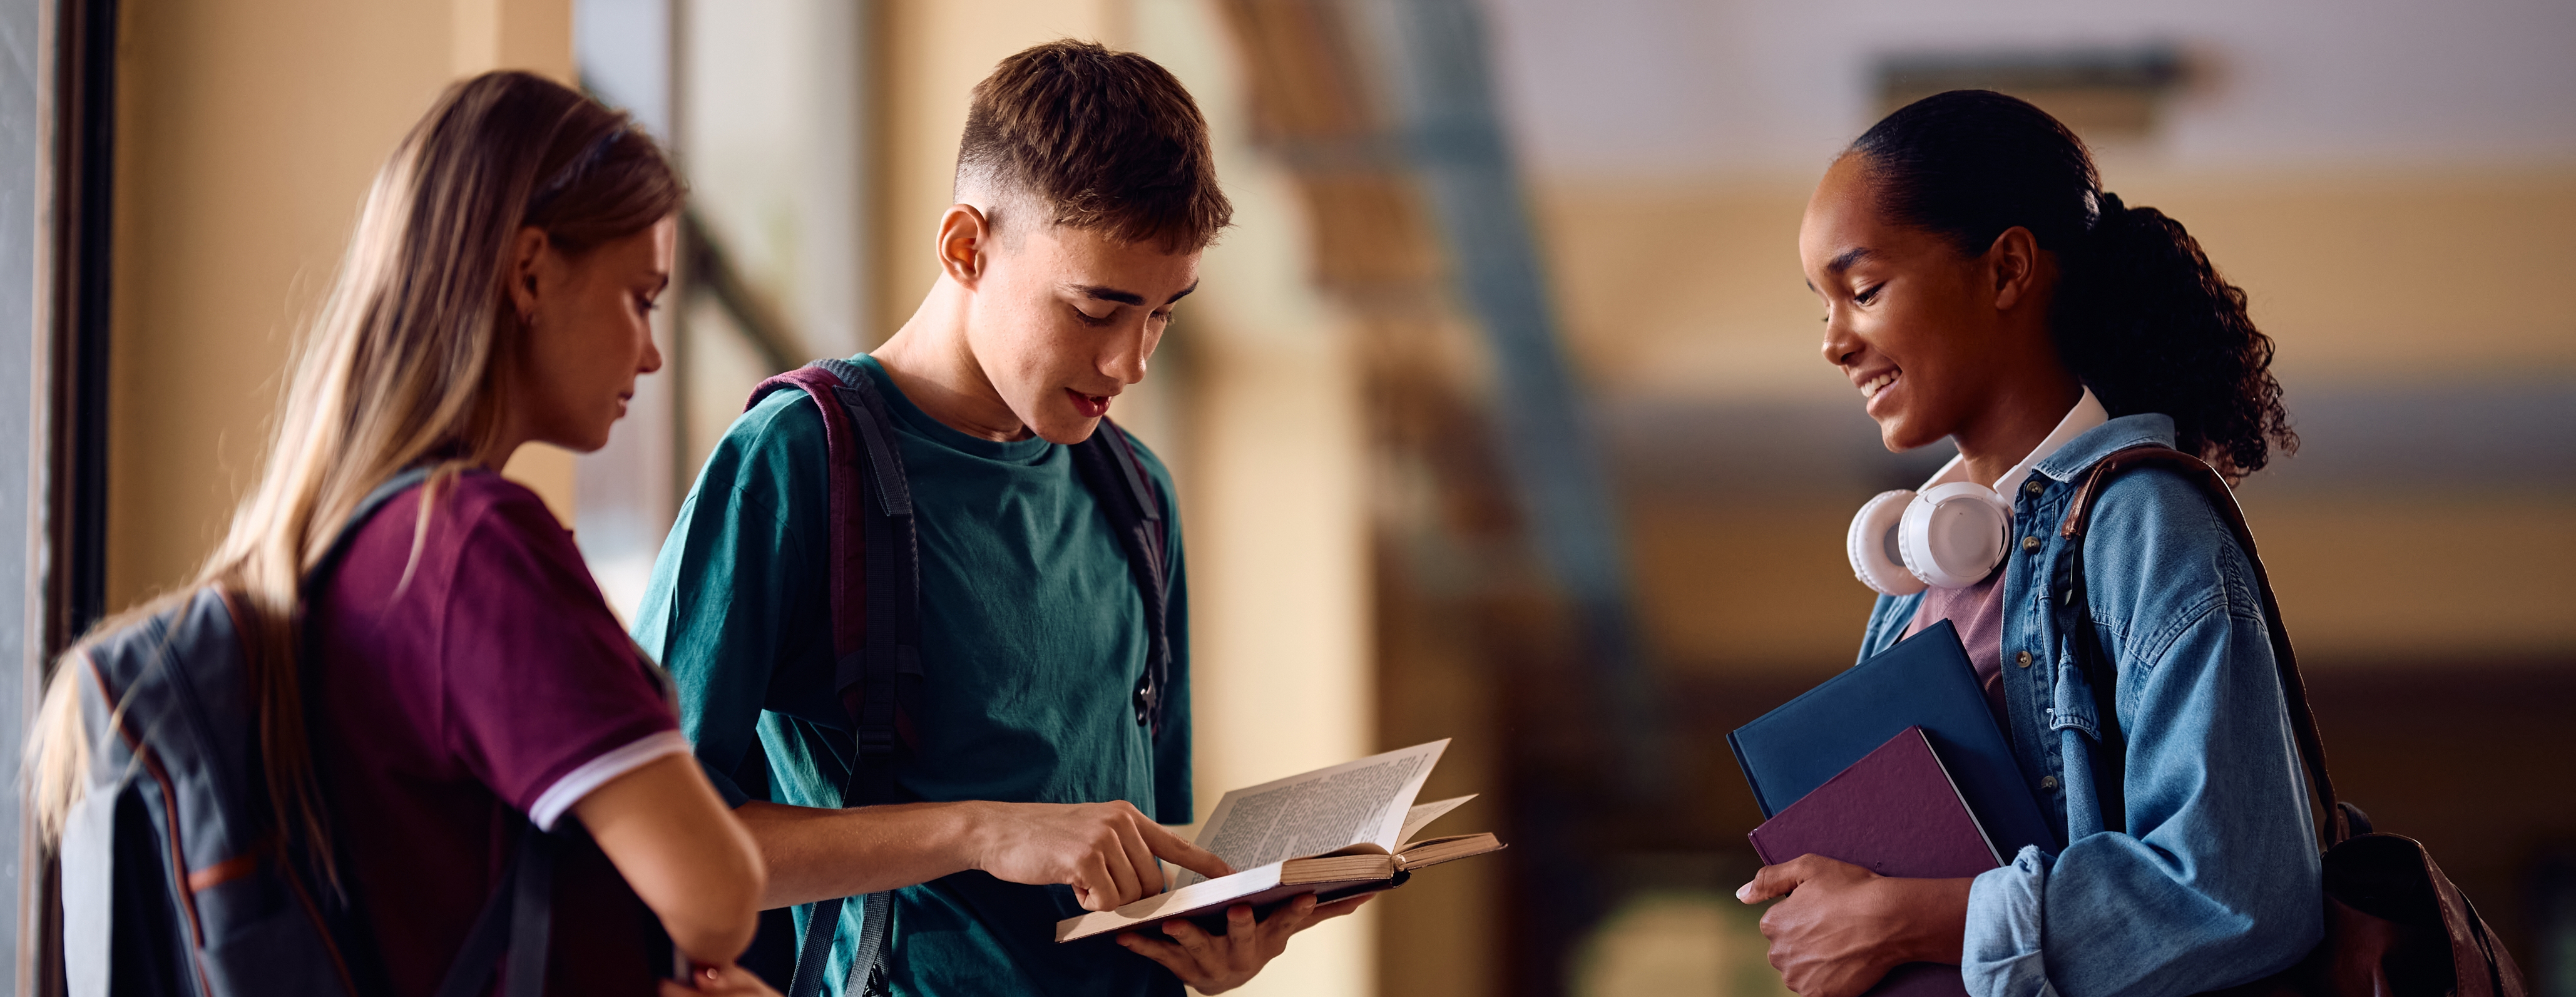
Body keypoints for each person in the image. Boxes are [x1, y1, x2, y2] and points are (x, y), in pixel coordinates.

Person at [635, 41, 1361, 997]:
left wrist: (1208, 949)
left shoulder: (1138, 495)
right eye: (1096, 310)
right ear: (966, 248)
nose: (1132, 362)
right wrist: (976, 832)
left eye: (1163, 314)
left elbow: (1130, 853)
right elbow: (652, 844)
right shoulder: (796, 462)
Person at [32, 71, 777, 996]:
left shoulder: (340, 554)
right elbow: (717, 898)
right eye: (641, 298)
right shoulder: (472, 546)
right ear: (530, 271)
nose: (653, 353)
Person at [1737, 89, 2319, 997]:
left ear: (2007, 269)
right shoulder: (1909, 586)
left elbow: (2239, 888)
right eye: (1825, 308)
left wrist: (1902, 919)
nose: (1835, 344)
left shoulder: (2142, 524)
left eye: (1864, 290)